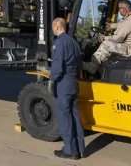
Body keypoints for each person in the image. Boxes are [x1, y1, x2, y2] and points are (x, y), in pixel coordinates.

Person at [50, 17, 86, 160]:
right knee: (75, 115)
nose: (53, 30)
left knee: (64, 116)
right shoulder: (74, 42)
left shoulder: (59, 43)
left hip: (63, 83)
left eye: (53, 27)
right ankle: (80, 149)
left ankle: (70, 150)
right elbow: (79, 64)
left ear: (57, 28)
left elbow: (58, 66)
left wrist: (52, 80)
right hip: (73, 81)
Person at [82, 0, 131, 74]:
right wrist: (111, 26)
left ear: (124, 10)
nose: (119, 11)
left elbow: (118, 38)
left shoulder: (129, 22)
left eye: (119, 9)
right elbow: (123, 24)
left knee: (106, 44)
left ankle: (93, 66)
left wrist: (104, 38)